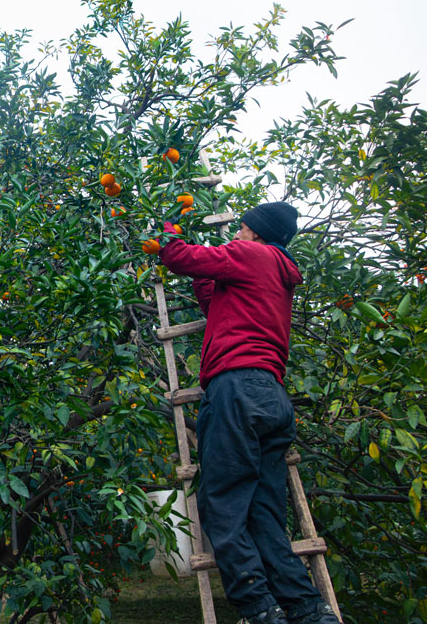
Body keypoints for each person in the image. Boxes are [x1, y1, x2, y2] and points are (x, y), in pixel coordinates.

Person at [156, 202, 340, 624]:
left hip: (236, 388)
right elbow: (213, 299)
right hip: (272, 396)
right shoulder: (276, 273)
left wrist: (164, 226)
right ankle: (305, 606)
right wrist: (206, 275)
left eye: (240, 229)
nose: (234, 236)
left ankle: (257, 607)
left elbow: (179, 256)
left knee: (220, 500)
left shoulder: (253, 254)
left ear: (256, 233)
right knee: (262, 510)